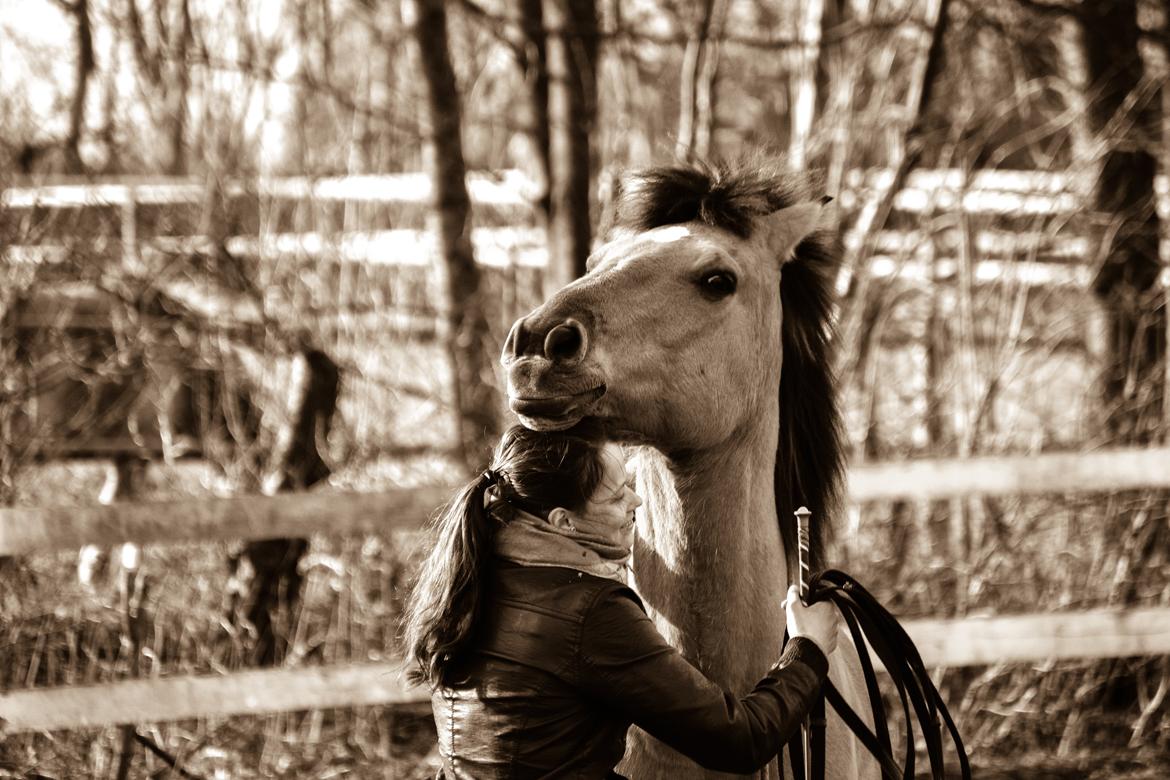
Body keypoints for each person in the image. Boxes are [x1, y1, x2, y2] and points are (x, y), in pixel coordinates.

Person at [403, 423, 840, 778]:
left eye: (629, 485)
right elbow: (741, 740)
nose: (637, 501)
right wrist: (807, 650)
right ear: (564, 522)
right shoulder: (590, 610)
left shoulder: (475, 578)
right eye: (616, 496)